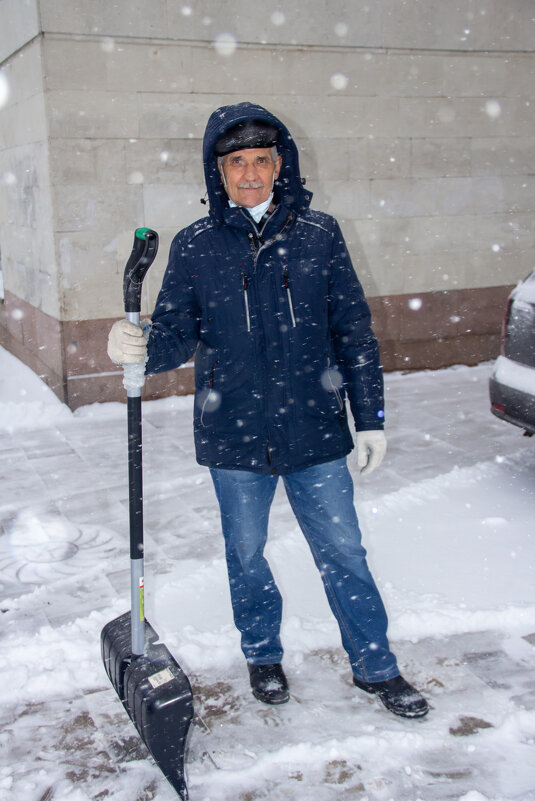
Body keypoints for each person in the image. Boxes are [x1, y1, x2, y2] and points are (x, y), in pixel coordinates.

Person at [108, 102, 429, 719]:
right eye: (237, 163)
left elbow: (353, 331)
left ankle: (375, 666)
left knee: (344, 553)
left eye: (261, 160)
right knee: (246, 555)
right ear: (219, 172)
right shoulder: (196, 246)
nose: (250, 173)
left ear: (280, 165)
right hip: (233, 432)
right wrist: (140, 345)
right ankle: (261, 655)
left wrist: (369, 418)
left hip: (314, 429)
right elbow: (178, 332)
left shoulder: (320, 234)